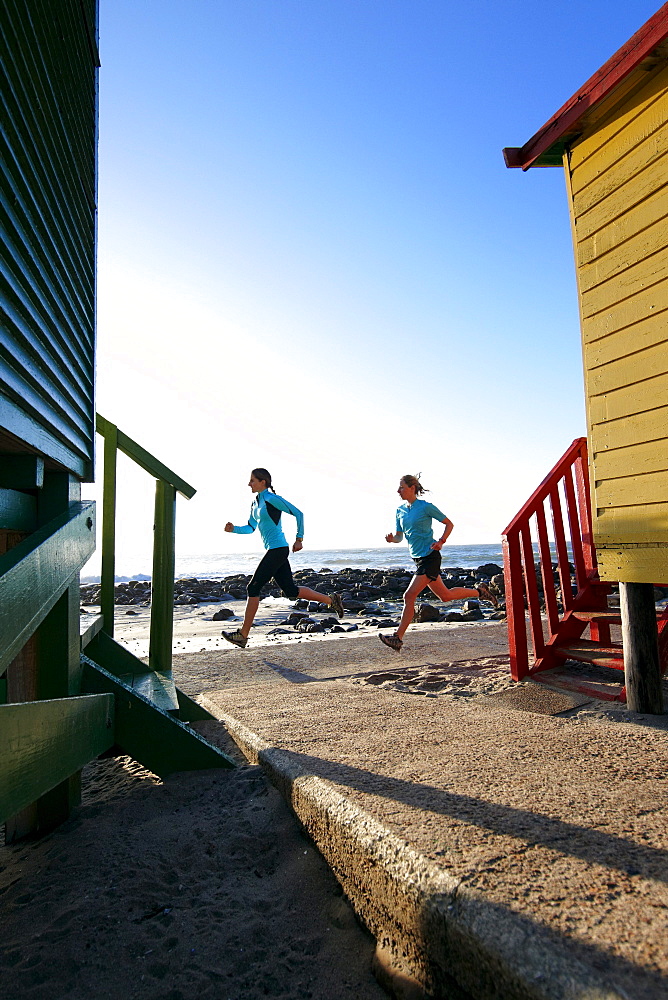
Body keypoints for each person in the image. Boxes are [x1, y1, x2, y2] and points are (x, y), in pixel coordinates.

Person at [221, 468, 344, 648]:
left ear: (263, 482)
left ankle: (243, 634)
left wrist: (299, 539)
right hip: (273, 549)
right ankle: (331, 600)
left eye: (252, 480)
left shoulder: (272, 499)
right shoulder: (255, 503)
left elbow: (299, 513)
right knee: (290, 591)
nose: (249, 484)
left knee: (253, 587)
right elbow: (250, 527)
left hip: (278, 549)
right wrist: (234, 529)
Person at [380, 474, 497, 652]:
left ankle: (398, 638)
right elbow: (399, 536)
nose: (398, 491)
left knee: (408, 596)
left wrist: (441, 541)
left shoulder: (426, 507)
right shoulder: (400, 510)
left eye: (402, 487)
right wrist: (391, 540)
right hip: (418, 559)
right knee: (445, 596)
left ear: (412, 488)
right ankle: (480, 592)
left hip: (430, 557)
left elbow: (449, 524)